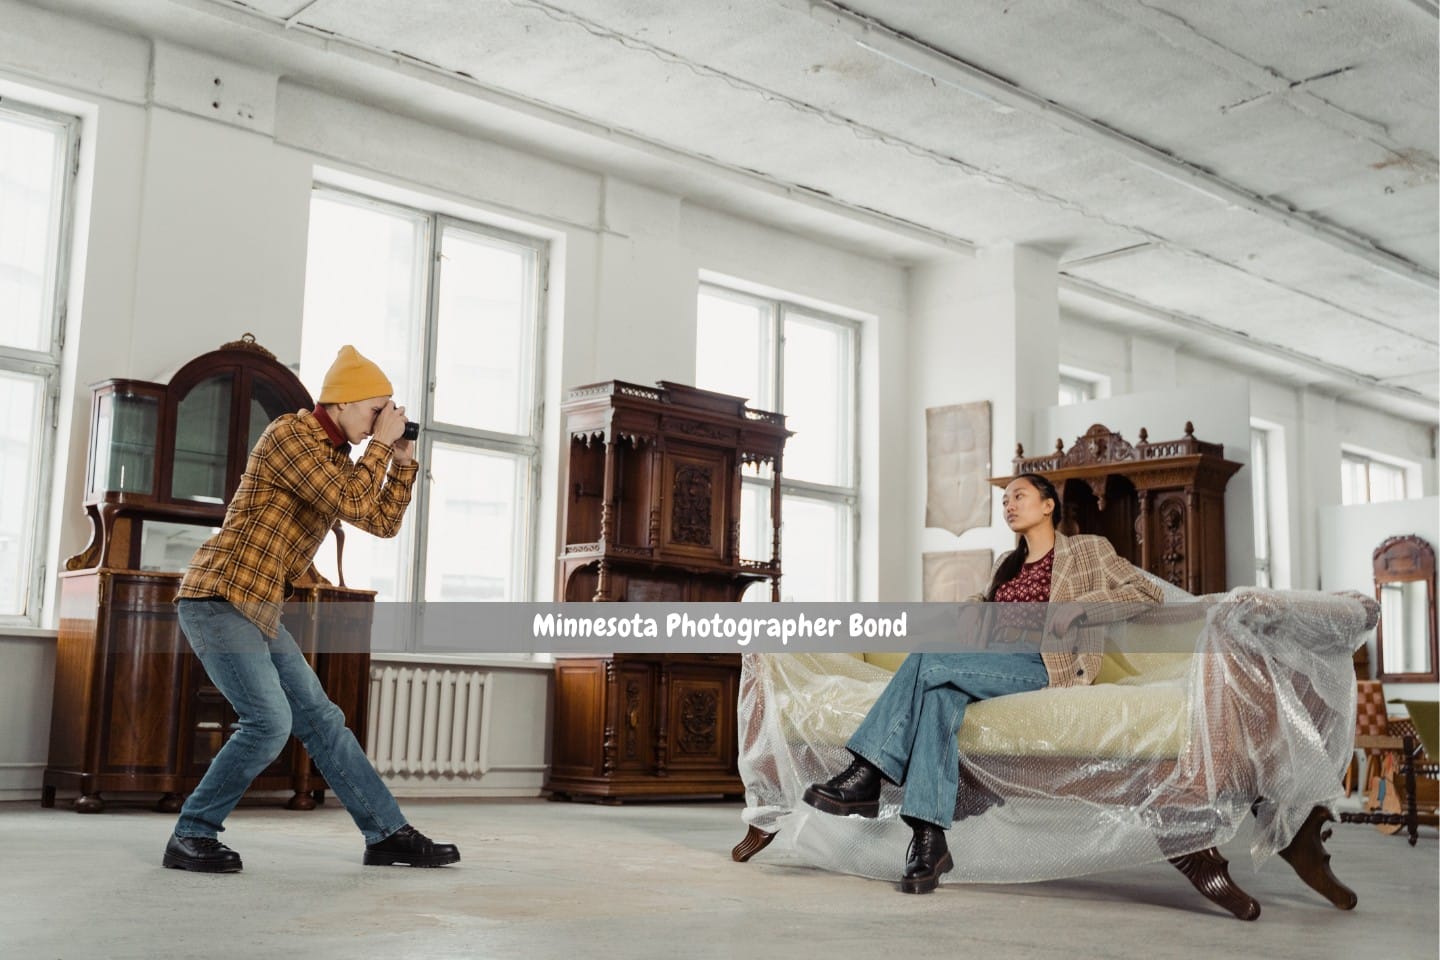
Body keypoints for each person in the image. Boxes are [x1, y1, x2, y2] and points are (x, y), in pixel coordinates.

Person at [163, 345, 460, 874]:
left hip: (259, 607)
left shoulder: (338, 457)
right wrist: (380, 451)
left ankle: (387, 834)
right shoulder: (290, 436)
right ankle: (192, 834)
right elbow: (351, 499)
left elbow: (380, 520)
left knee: (323, 721)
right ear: (343, 404)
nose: (382, 421)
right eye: (376, 409)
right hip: (218, 596)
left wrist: (403, 463)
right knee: (269, 722)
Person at [802, 473, 1162, 894]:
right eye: (1005, 500)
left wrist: (1078, 608)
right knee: (939, 695)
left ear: (1049, 505)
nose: (1009, 505)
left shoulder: (1087, 550)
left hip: (1043, 663)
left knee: (930, 656)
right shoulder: (1004, 566)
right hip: (989, 660)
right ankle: (928, 840)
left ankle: (867, 771)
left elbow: (1146, 592)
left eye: (1019, 496)